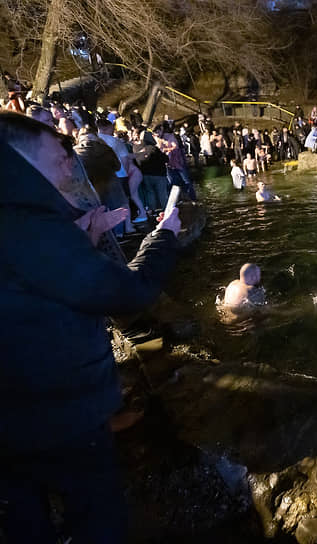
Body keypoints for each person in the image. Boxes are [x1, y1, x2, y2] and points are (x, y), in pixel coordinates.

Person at [0, 111, 180, 543]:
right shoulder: (30, 225)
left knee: (22, 515)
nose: (68, 161)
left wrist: (85, 237)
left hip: (15, 407)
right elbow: (127, 293)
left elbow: (37, 282)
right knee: (95, 513)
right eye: (56, 152)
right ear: (19, 155)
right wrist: (165, 236)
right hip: (56, 409)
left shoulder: (22, 218)